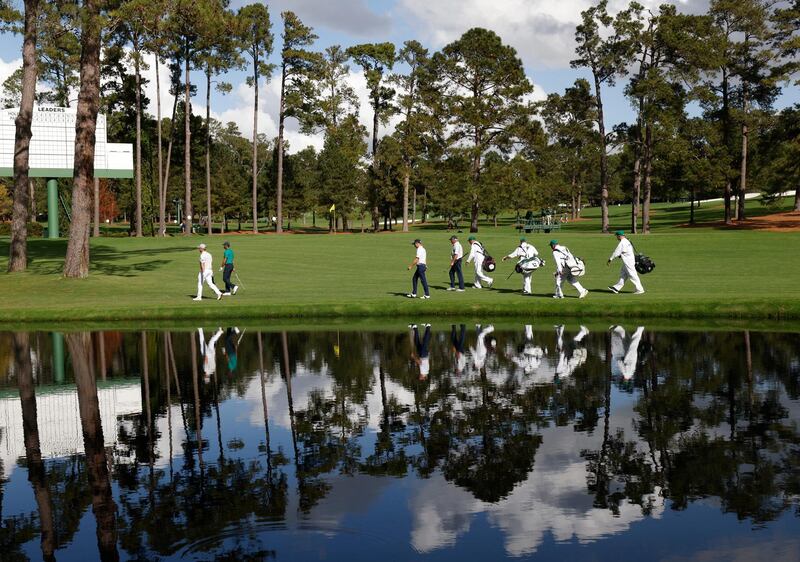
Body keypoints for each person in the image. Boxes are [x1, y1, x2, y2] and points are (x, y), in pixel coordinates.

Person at [607, 230, 644, 294]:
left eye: (617, 236)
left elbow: (616, 252)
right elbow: (626, 251)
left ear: (619, 236)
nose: (616, 237)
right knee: (623, 274)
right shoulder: (627, 241)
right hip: (628, 261)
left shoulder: (622, 243)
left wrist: (610, 259)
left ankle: (640, 289)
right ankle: (616, 288)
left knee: (633, 275)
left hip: (628, 262)